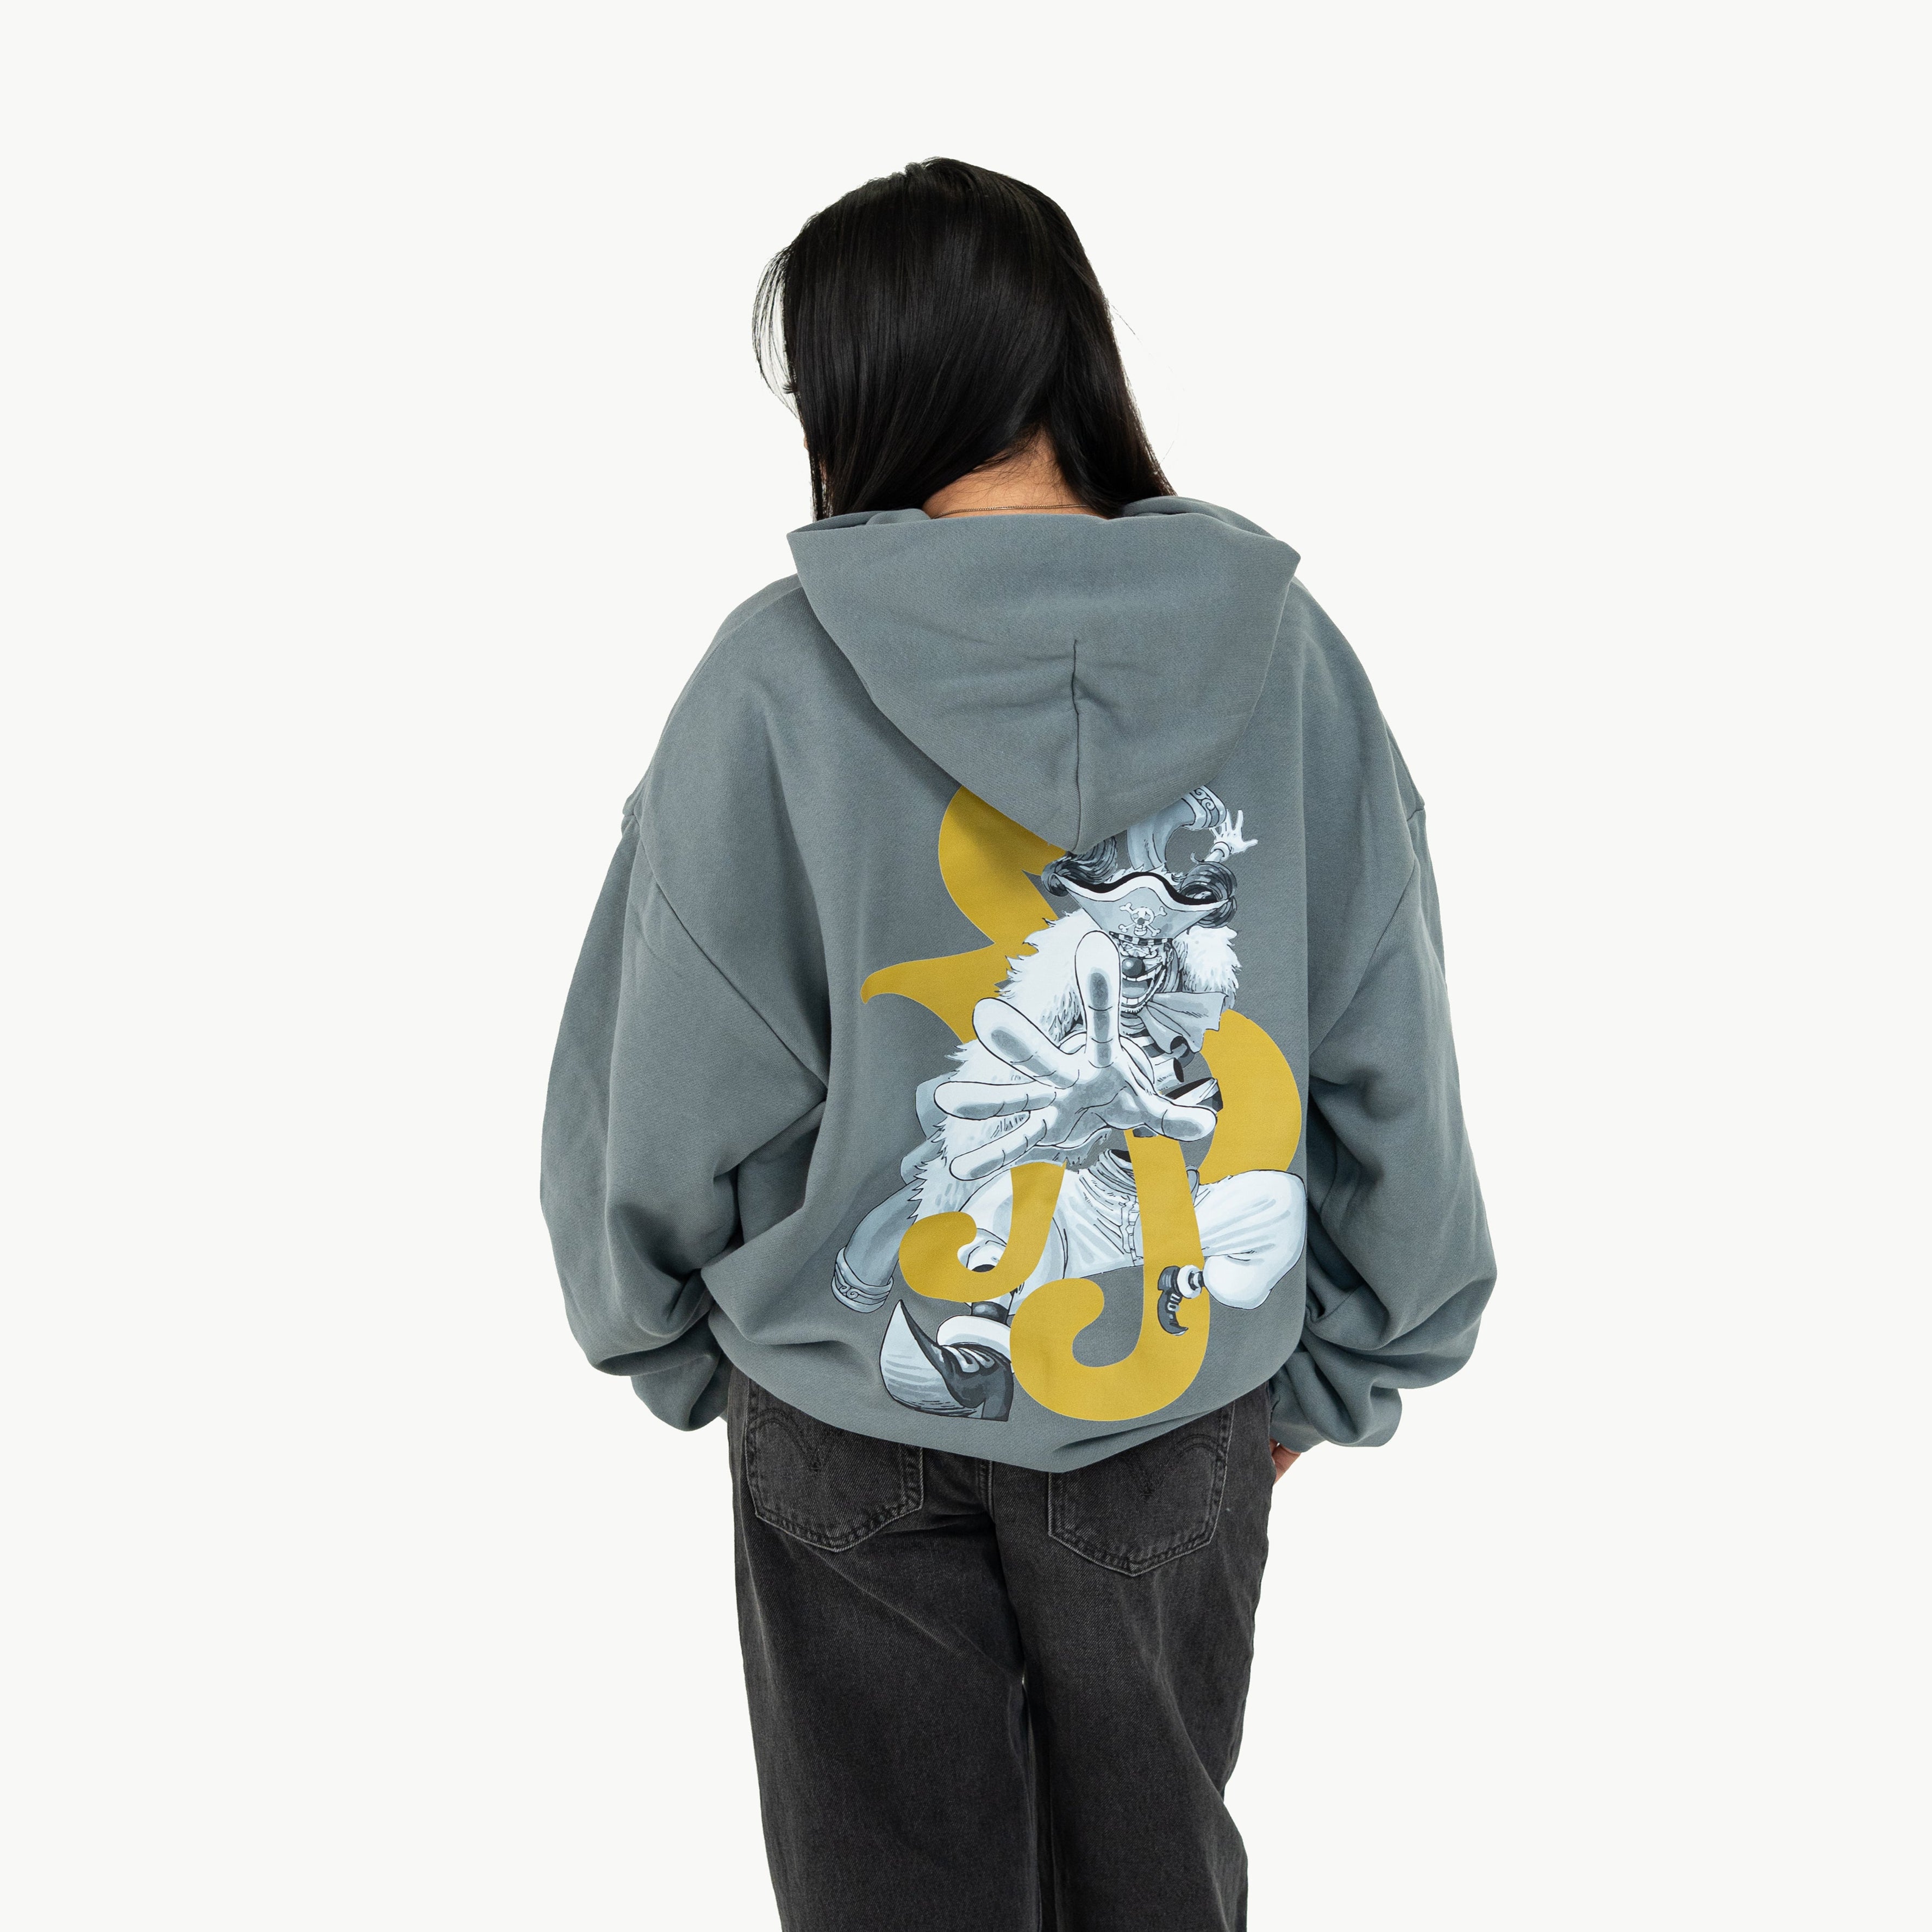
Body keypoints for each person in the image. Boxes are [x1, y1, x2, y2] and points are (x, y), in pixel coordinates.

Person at [541, 158, 1494, 1932]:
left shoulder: (773, 678)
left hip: (847, 1391)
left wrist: (660, 1334)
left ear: (858, 386)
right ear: (1072, 353)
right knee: (1155, 1888)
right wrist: (1354, 1357)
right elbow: (1386, 1033)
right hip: (1176, 1393)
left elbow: (668, 1053)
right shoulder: (1285, 659)